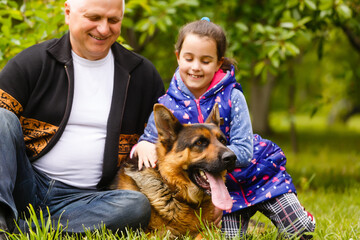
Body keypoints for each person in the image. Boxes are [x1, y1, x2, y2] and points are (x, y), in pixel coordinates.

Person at [132, 19, 316, 239]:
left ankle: (298, 218)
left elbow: (244, 150)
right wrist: (143, 143)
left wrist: (221, 162)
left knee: (300, 232)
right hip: (222, 186)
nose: (196, 67)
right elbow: (153, 136)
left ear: (218, 63)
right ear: (178, 57)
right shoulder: (168, 103)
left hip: (256, 175)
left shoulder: (232, 97)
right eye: (189, 58)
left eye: (206, 60)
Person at [0, 0, 165, 237]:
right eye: (94, 18)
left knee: (136, 206)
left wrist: (149, 140)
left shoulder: (142, 75)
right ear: (68, 13)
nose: (104, 29)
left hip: (87, 200)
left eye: (113, 20)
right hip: (24, 185)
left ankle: (19, 230)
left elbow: (168, 137)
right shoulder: (33, 62)